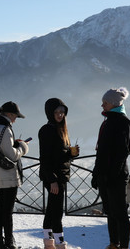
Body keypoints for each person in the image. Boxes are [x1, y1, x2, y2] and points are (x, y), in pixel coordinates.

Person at [91, 87, 130, 249]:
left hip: (116, 176)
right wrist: (97, 174)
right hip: (105, 176)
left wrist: (112, 174)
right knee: (110, 211)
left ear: (113, 103)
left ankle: (123, 246)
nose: (102, 106)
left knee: (119, 213)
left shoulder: (122, 121)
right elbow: (102, 151)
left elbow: (122, 151)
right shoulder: (109, 121)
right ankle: (114, 243)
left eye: (105, 103)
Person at [0, 101, 30, 249]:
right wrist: (23, 147)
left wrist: (13, 144)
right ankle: (10, 243)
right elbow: (12, 155)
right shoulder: (5, 129)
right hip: (8, 175)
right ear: (9, 114)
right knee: (7, 212)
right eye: (15, 116)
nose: (15, 119)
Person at [38, 98, 79, 249]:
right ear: (50, 112)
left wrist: (70, 154)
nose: (60, 115)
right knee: (57, 212)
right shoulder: (47, 130)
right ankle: (60, 243)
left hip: (59, 176)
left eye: (62, 112)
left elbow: (57, 154)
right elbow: (45, 158)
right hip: (54, 178)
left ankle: (48, 242)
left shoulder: (60, 129)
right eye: (57, 112)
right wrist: (52, 180)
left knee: (51, 209)